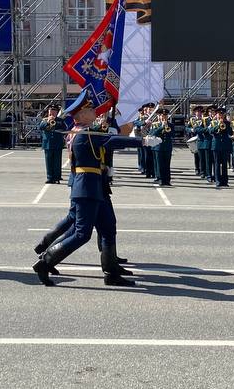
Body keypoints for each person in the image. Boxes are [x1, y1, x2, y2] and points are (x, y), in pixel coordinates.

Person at [32, 88, 158, 287]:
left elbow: (106, 140)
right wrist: (142, 141)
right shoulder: (84, 134)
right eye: (90, 109)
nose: (95, 112)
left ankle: (111, 272)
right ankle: (46, 262)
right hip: (86, 188)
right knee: (82, 234)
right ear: (81, 115)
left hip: (95, 187)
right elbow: (112, 141)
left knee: (108, 228)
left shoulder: (85, 133)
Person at [38, 106, 65, 184]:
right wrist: (48, 122)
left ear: (56, 113)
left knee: (57, 161)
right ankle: (50, 177)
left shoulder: (60, 120)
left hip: (57, 143)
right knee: (48, 161)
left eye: (53, 112)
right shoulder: (44, 120)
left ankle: (57, 177)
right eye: (50, 112)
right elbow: (41, 127)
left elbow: (64, 128)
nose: (52, 113)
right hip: (48, 143)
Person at [150, 108, 173, 186]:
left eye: (165, 116)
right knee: (159, 164)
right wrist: (161, 127)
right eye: (162, 116)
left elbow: (172, 134)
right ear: (158, 116)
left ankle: (167, 180)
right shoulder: (154, 124)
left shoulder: (171, 125)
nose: (164, 117)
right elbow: (153, 134)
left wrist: (166, 126)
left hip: (167, 147)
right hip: (158, 147)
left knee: (167, 164)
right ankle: (160, 179)